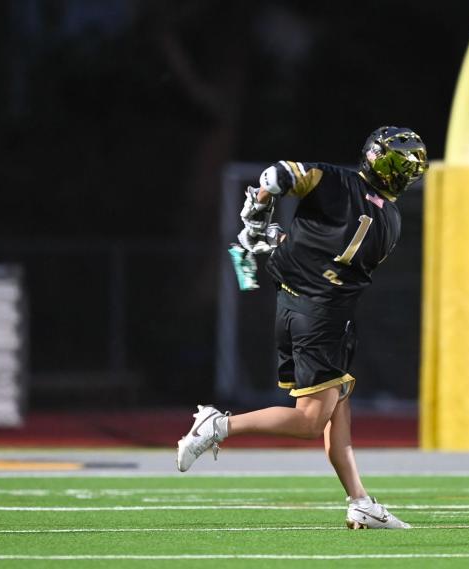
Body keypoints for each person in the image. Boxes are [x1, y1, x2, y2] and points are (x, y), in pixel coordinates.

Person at [176, 126, 428, 530]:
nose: (401, 172)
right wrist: (269, 233)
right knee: (311, 420)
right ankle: (218, 425)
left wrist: (261, 219)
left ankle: (360, 500)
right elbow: (335, 254)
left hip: (299, 306)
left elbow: (275, 180)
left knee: (338, 405)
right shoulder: (391, 221)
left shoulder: (336, 181)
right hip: (323, 317)